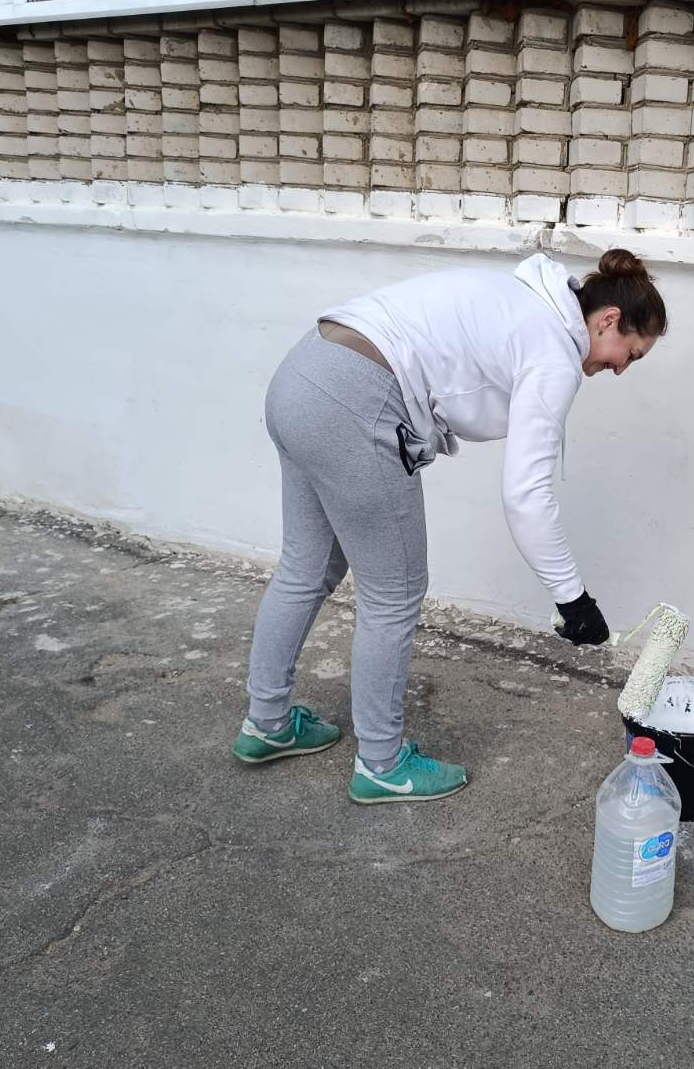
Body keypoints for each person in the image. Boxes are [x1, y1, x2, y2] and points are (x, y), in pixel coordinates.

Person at [231, 249, 667, 805]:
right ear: (608, 319)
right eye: (630, 353)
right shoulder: (554, 354)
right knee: (393, 593)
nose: (622, 369)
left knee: (306, 567)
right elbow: (526, 495)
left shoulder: (523, 300)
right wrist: (573, 599)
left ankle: (267, 724)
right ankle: (382, 765)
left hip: (303, 374)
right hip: (356, 400)